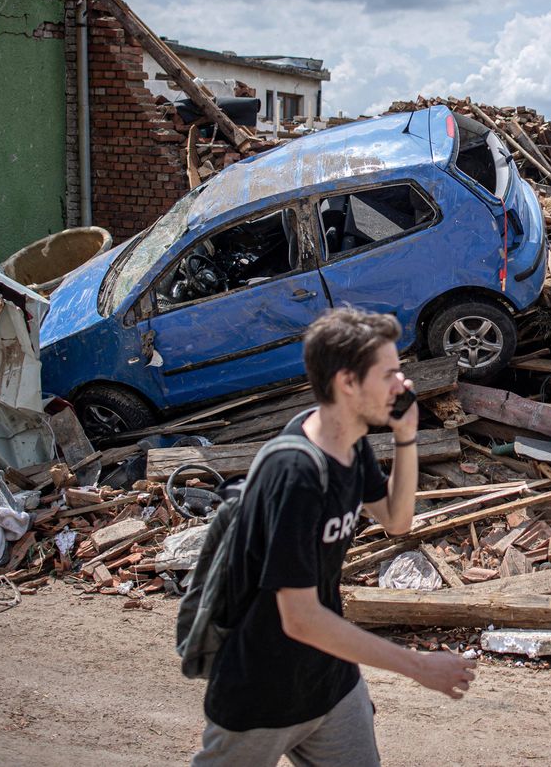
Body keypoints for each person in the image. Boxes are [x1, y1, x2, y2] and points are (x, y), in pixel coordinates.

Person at [193, 307, 475, 766]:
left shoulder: (351, 443)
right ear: (347, 383)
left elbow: (397, 520)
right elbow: (299, 618)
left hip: (329, 680)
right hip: (259, 693)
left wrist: (406, 439)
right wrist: (419, 666)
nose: (402, 386)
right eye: (388, 375)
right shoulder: (294, 476)